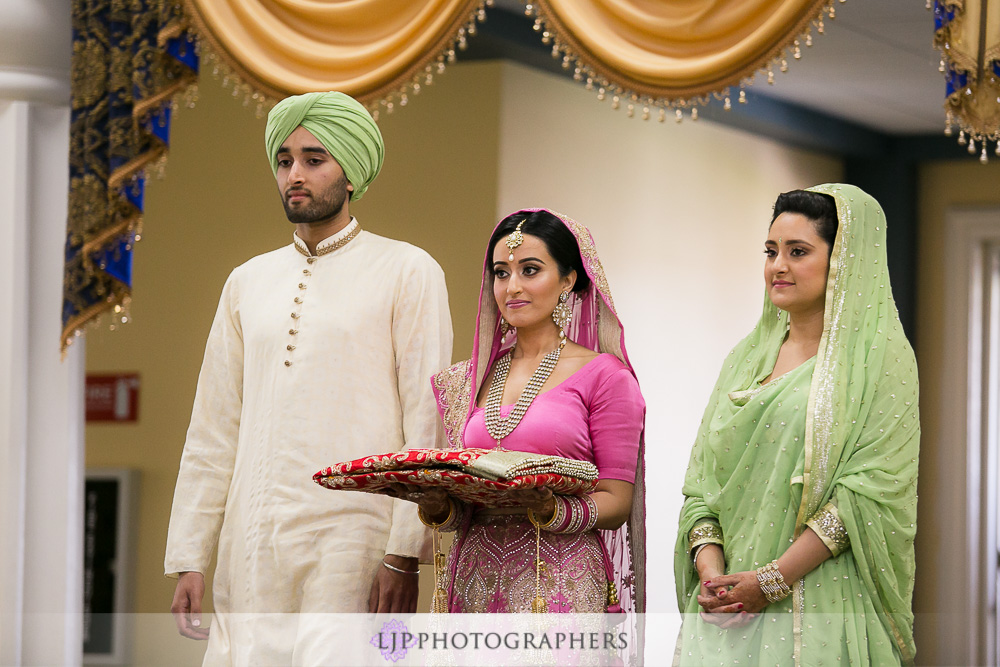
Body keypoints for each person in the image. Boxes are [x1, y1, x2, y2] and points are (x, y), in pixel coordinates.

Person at [164, 91, 453, 664]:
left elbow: (427, 421)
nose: (295, 174)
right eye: (284, 160)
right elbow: (213, 426)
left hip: (354, 532)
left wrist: (403, 550)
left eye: (314, 159)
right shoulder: (247, 282)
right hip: (252, 539)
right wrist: (191, 553)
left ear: (351, 172)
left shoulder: (406, 270)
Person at [673, 184, 919, 665]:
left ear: (844, 261)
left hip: (820, 604)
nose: (777, 266)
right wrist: (714, 577)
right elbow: (702, 484)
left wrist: (769, 582)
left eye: (798, 251)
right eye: (771, 251)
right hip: (725, 609)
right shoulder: (744, 359)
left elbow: (867, 493)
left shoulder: (879, 359)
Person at [392, 208, 646, 621]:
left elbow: (617, 501)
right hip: (476, 579)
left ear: (569, 279)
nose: (512, 287)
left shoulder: (606, 377)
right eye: (501, 272)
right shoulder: (469, 381)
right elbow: (464, 504)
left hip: (560, 581)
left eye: (530, 270)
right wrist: (437, 503)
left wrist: (552, 510)